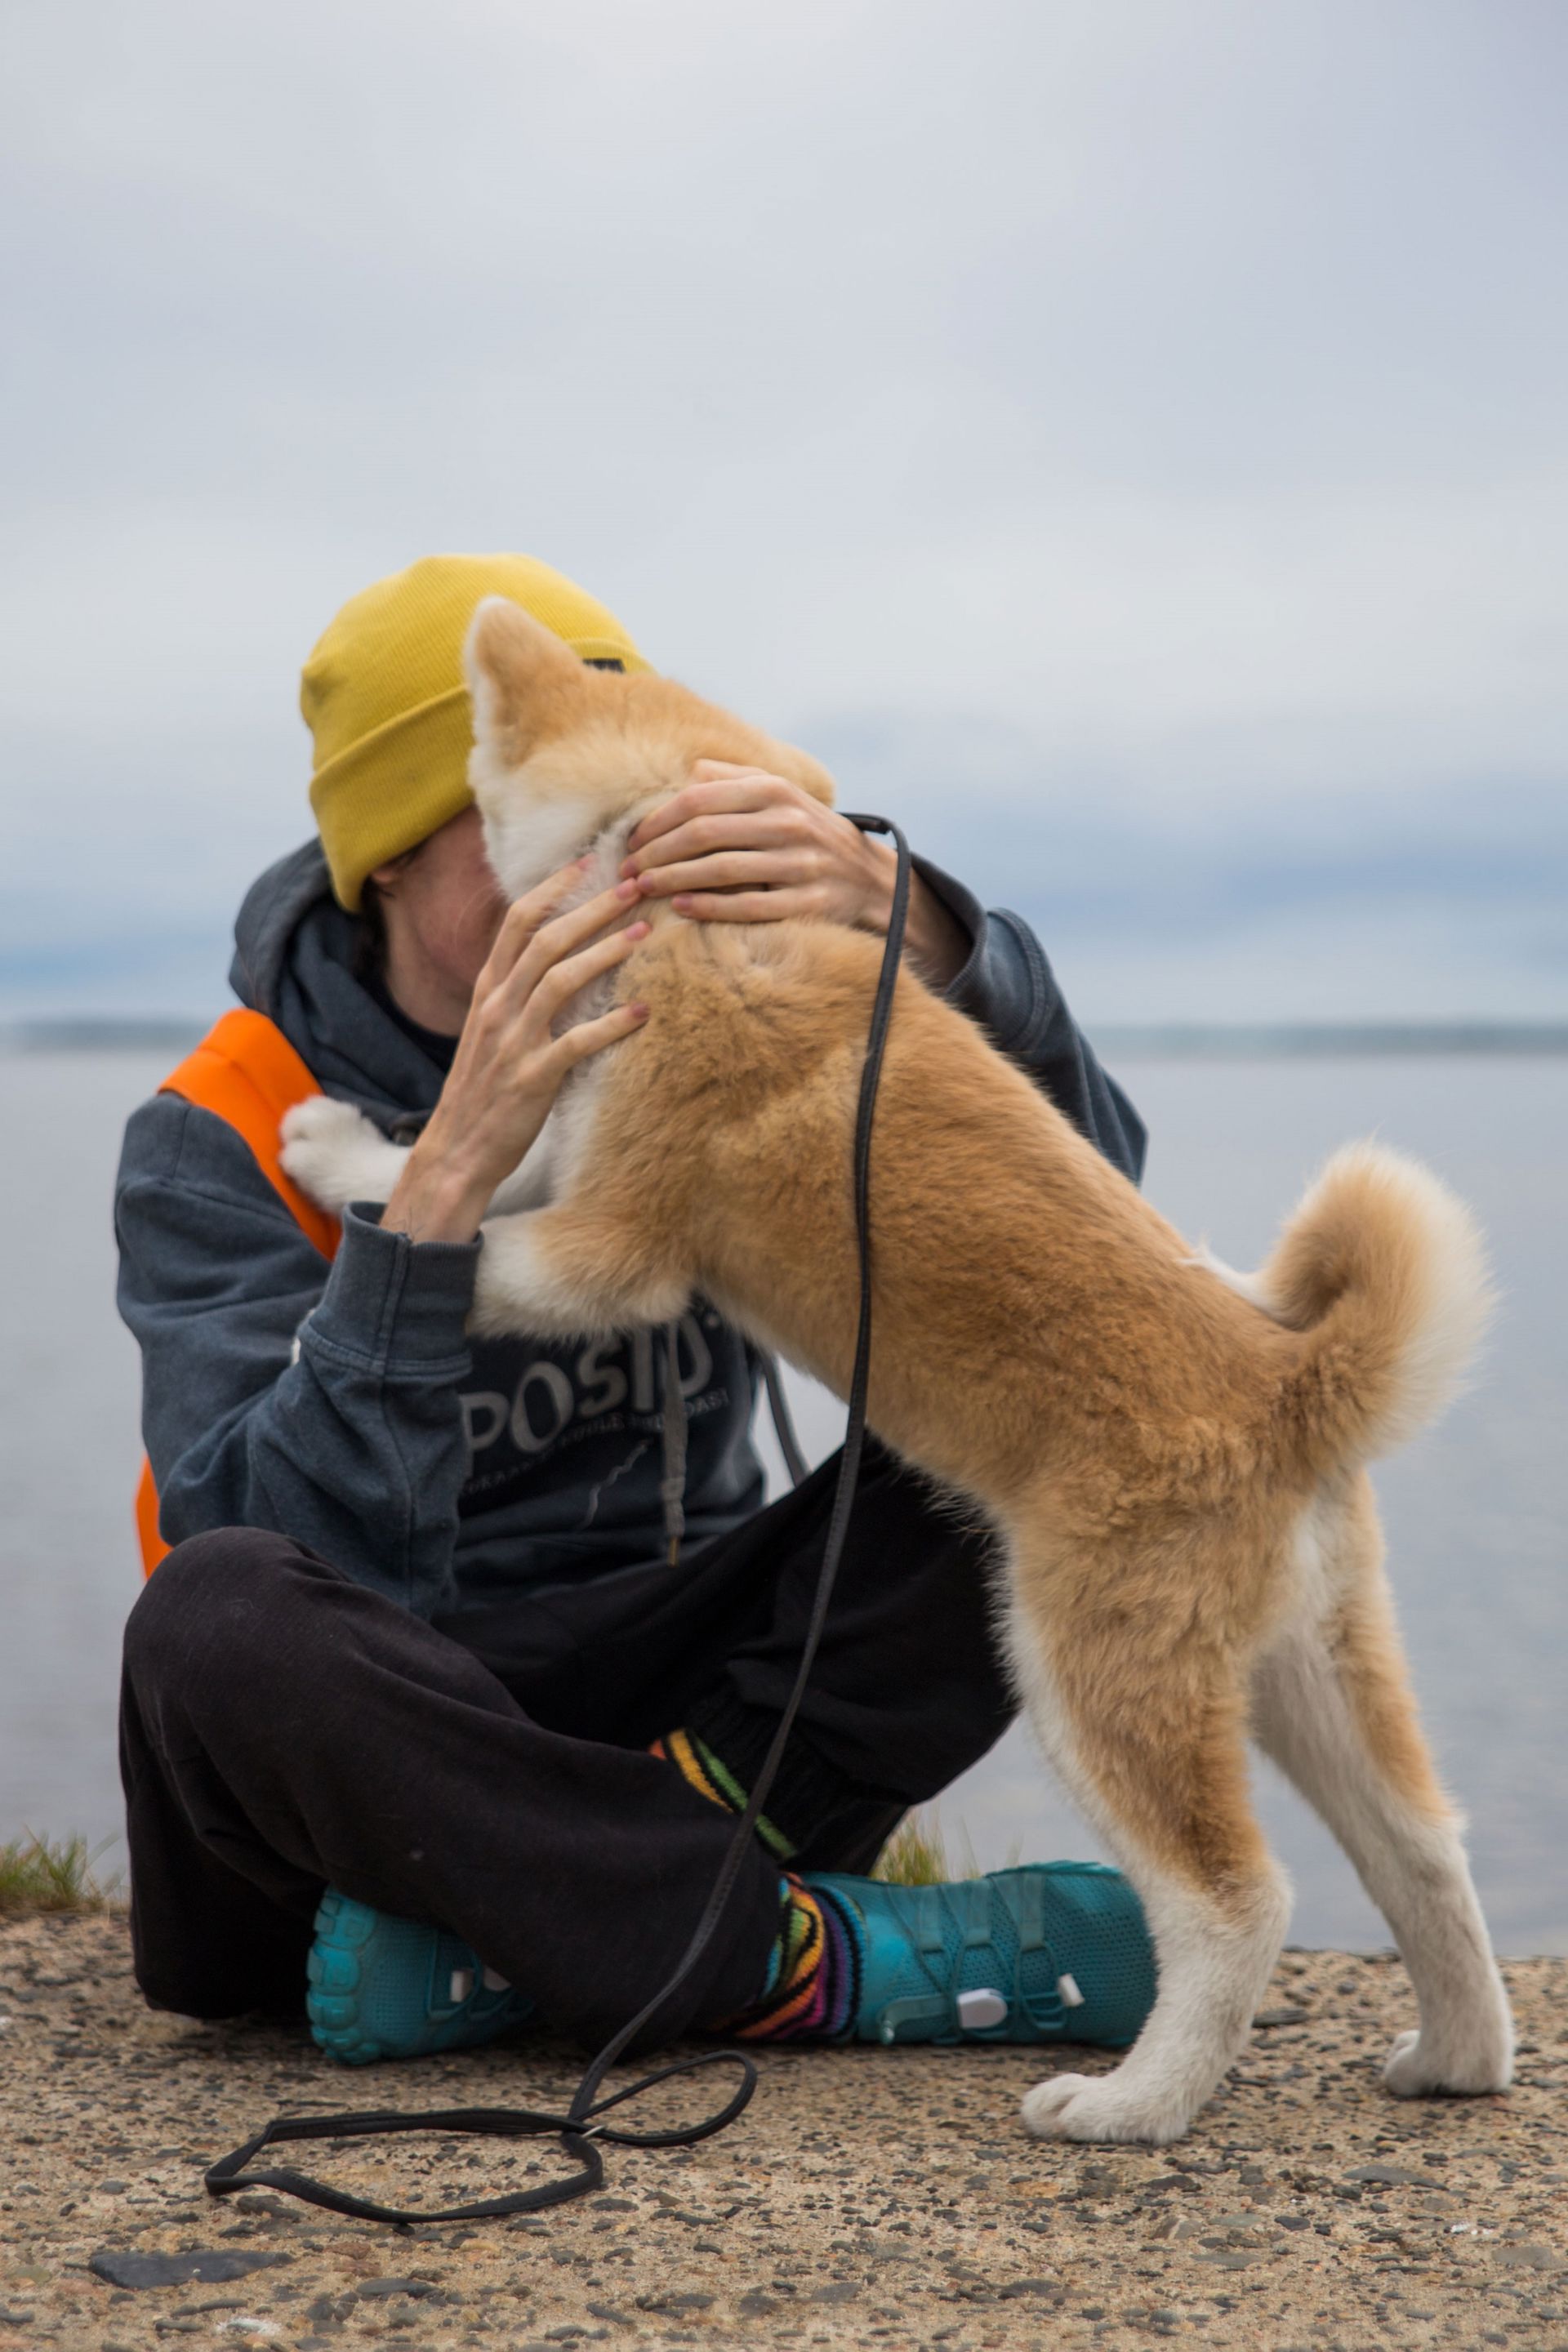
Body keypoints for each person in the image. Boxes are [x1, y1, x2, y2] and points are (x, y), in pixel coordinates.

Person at [115, 554, 1156, 2068]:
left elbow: (1092, 1247)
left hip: (717, 1747)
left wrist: (917, 930)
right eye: (528, 807)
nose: (613, 850)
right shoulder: (220, 1123)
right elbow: (281, 1536)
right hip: (383, 1759)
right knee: (209, 1620)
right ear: (388, 860)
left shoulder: (734, 993)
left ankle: (550, 1946)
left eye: (642, 798)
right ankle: (808, 1957)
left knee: (1078, 1419)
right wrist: (442, 1188)